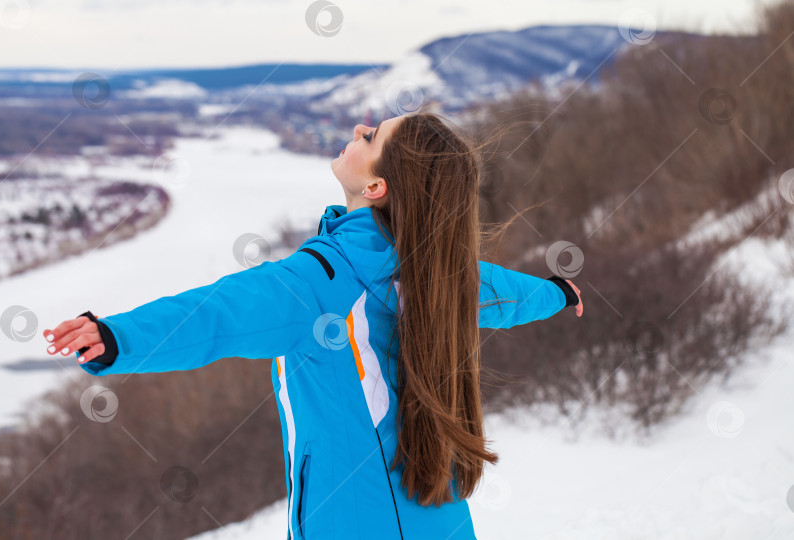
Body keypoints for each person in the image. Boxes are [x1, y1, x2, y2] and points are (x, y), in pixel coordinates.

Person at [43, 112, 582, 540]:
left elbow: (220, 313)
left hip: (353, 524)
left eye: (370, 136)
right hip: (438, 515)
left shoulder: (325, 282)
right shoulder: (443, 268)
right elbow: (510, 295)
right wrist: (557, 293)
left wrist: (119, 337)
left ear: (376, 187)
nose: (357, 130)